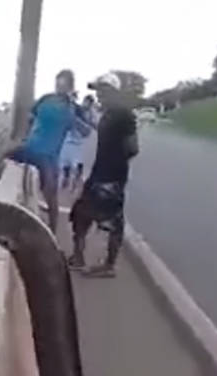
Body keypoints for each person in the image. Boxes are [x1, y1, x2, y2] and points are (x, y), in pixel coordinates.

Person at [67, 73, 138, 279]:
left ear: (112, 91)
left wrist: (115, 162)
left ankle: (108, 266)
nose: (98, 95)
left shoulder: (123, 114)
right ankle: (78, 257)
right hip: (99, 173)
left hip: (111, 176)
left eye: (102, 90)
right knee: (80, 214)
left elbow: (133, 148)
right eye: (97, 91)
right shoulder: (108, 114)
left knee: (113, 221)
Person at [6, 69, 91, 232]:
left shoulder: (73, 107)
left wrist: (73, 119)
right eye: (58, 84)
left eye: (64, 86)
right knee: (5, 154)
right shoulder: (45, 99)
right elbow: (30, 118)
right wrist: (23, 137)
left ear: (70, 87)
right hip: (31, 147)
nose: (60, 89)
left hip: (49, 157)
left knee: (51, 195)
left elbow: (86, 131)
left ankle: (52, 231)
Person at [59, 94, 94, 191]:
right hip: (69, 141)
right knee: (65, 164)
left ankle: (75, 182)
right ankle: (66, 180)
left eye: (89, 103)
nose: (86, 104)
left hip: (77, 143)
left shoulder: (87, 114)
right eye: (86, 102)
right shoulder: (76, 109)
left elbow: (88, 130)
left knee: (77, 164)